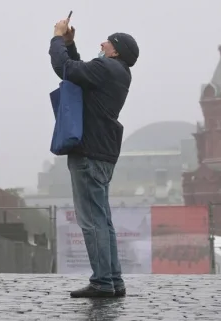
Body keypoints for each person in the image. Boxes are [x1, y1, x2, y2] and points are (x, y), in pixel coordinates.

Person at [49, 17, 139, 298]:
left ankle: (101, 282)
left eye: (107, 41)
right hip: (103, 152)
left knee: (92, 221)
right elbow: (81, 73)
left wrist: (56, 38)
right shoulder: (117, 71)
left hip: (88, 152)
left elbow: (64, 68)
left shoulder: (107, 67)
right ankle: (113, 280)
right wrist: (71, 44)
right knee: (104, 220)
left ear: (116, 51)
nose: (101, 44)